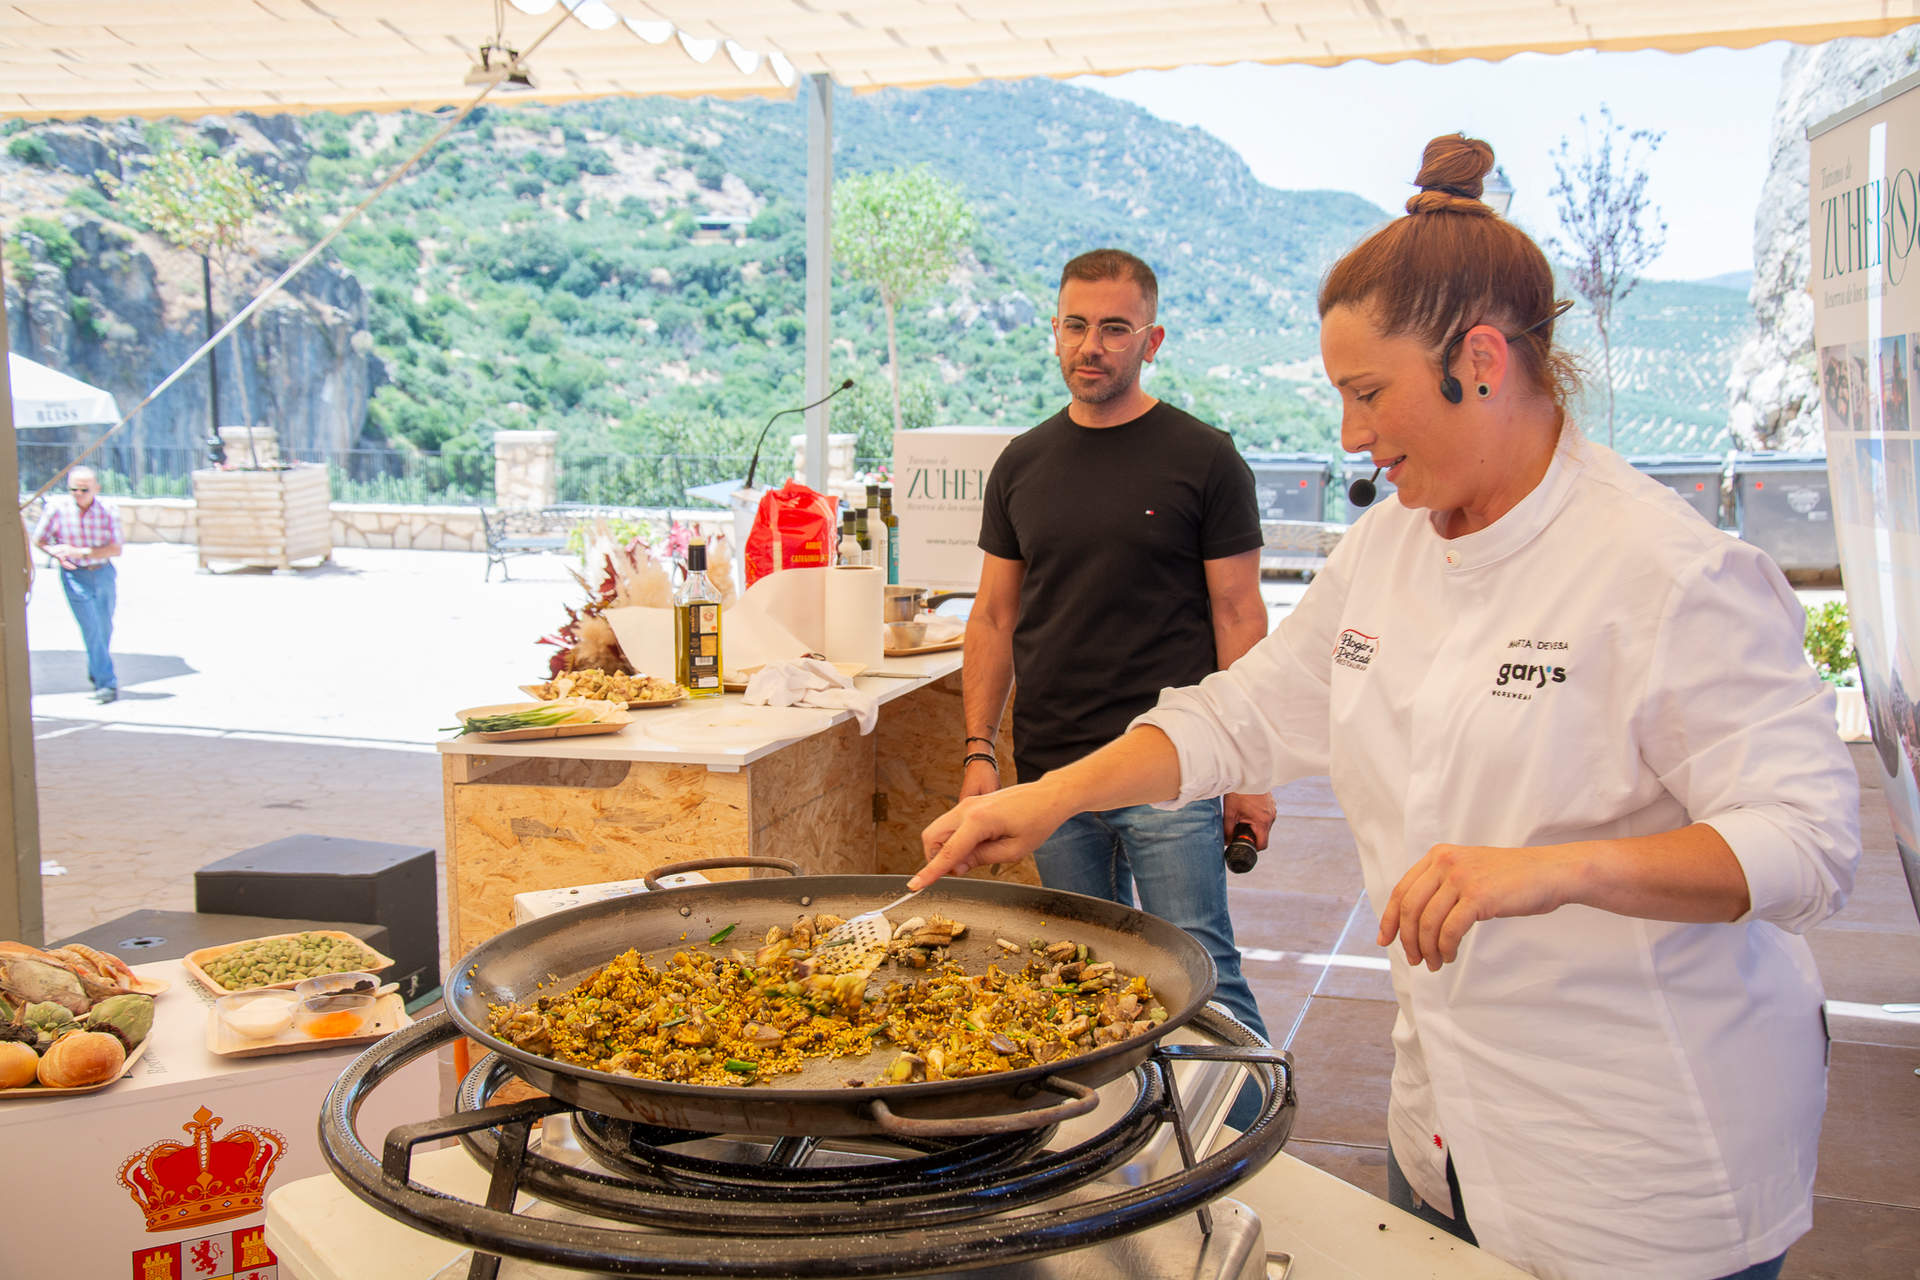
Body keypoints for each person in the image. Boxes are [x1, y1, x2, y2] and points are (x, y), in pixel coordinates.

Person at [915, 137, 1859, 1280]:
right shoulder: (1390, 548)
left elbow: (1810, 843)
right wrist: (1038, 797)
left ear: (1480, 358)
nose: (1353, 436)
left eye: (1369, 393)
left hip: (1636, 1154)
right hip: (1446, 1129)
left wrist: (1554, 868)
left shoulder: (1666, 571)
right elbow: (1242, 710)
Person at [959, 247, 1273, 1052]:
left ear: (1152, 340)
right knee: (1081, 971)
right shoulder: (1023, 463)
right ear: (1054, 330)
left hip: (1172, 766)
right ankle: (1130, 1145)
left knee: (1200, 971)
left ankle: (1250, 1136)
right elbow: (994, 618)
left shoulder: (1204, 458)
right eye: (1074, 325)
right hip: (1056, 770)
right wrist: (978, 751)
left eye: (1113, 328)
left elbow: (1239, 614)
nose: (1089, 345)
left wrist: (1250, 771)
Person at [33, 466, 123, 703]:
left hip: (102, 572)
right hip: (74, 574)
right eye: (74, 489)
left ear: (96, 489)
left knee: (104, 627)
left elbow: (116, 548)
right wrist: (57, 553)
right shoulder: (57, 509)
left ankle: (97, 669)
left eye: (84, 489)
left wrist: (80, 552)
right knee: (91, 627)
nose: (79, 494)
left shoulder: (108, 510)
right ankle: (106, 682)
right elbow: (39, 539)